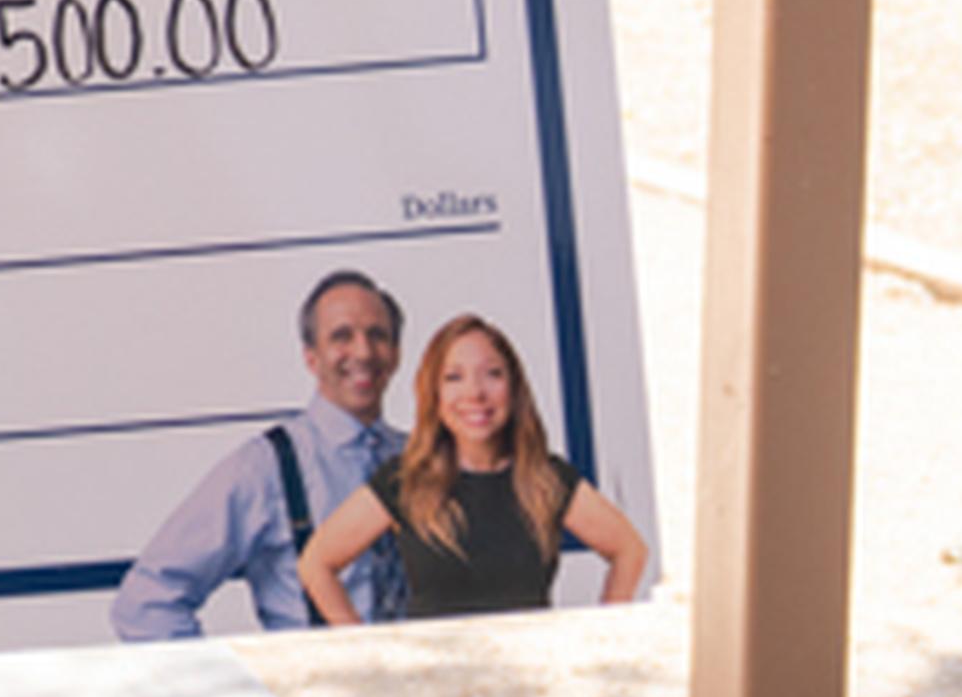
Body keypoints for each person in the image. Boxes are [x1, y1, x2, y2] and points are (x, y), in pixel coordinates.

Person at [109, 270, 410, 640]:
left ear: (396, 354)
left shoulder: (423, 459)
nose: (363, 352)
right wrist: (226, 678)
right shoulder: (266, 467)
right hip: (315, 677)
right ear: (311, 357)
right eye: (341, 336)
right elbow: (145, 604)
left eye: (377, 335)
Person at [295, 313, 648, 623]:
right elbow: (316, 563)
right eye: (454, 377)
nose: (475, 393)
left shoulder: (546, 478)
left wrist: (601, 638)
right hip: (436, 677)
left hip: (528, 674)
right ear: (434, 393)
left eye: (492, 374)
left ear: (514, 387)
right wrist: (368, 653)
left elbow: (629, 550)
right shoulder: (406, 480)